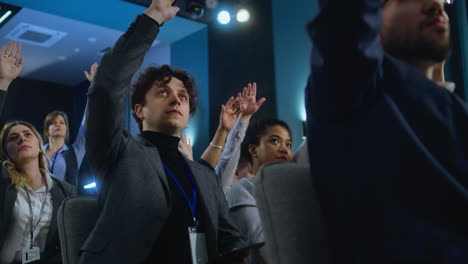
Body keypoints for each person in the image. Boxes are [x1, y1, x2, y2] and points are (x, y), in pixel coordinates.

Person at [81, 0, 247, 263]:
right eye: (163, 92)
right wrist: (153, 17)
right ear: (139, 110)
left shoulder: (203, 174)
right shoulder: (118, 151)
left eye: (182, 95)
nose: (176, 99)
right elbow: (106, 86)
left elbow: (230, 239)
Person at [306, 0, 468, 262]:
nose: (435, 6)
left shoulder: (455, 108)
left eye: (441, 0)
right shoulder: (355, 84)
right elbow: (345, 19)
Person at [0, 41, 75, 264]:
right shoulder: (3, 183)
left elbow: (68, 243)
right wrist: (2, 82)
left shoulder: (65, 191)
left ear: (39, 145)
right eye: (13, 138)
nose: (22, 138)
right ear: (5, 152)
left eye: (27, 134)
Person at [227, 119, 293, 263]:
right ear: (253, 150)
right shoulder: (244, 189)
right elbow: (261, 243)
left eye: (288, 144)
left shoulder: (294, 189)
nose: (284, 149)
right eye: (275, 141)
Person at [42, 63, 95, 187]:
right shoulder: (38, 152)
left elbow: (86, 122)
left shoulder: (75, 152)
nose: (58, 125)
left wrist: (93, 88)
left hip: (64, 203)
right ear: (46, 130)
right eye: (53, 123)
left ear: (66, 129)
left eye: (62, 122)